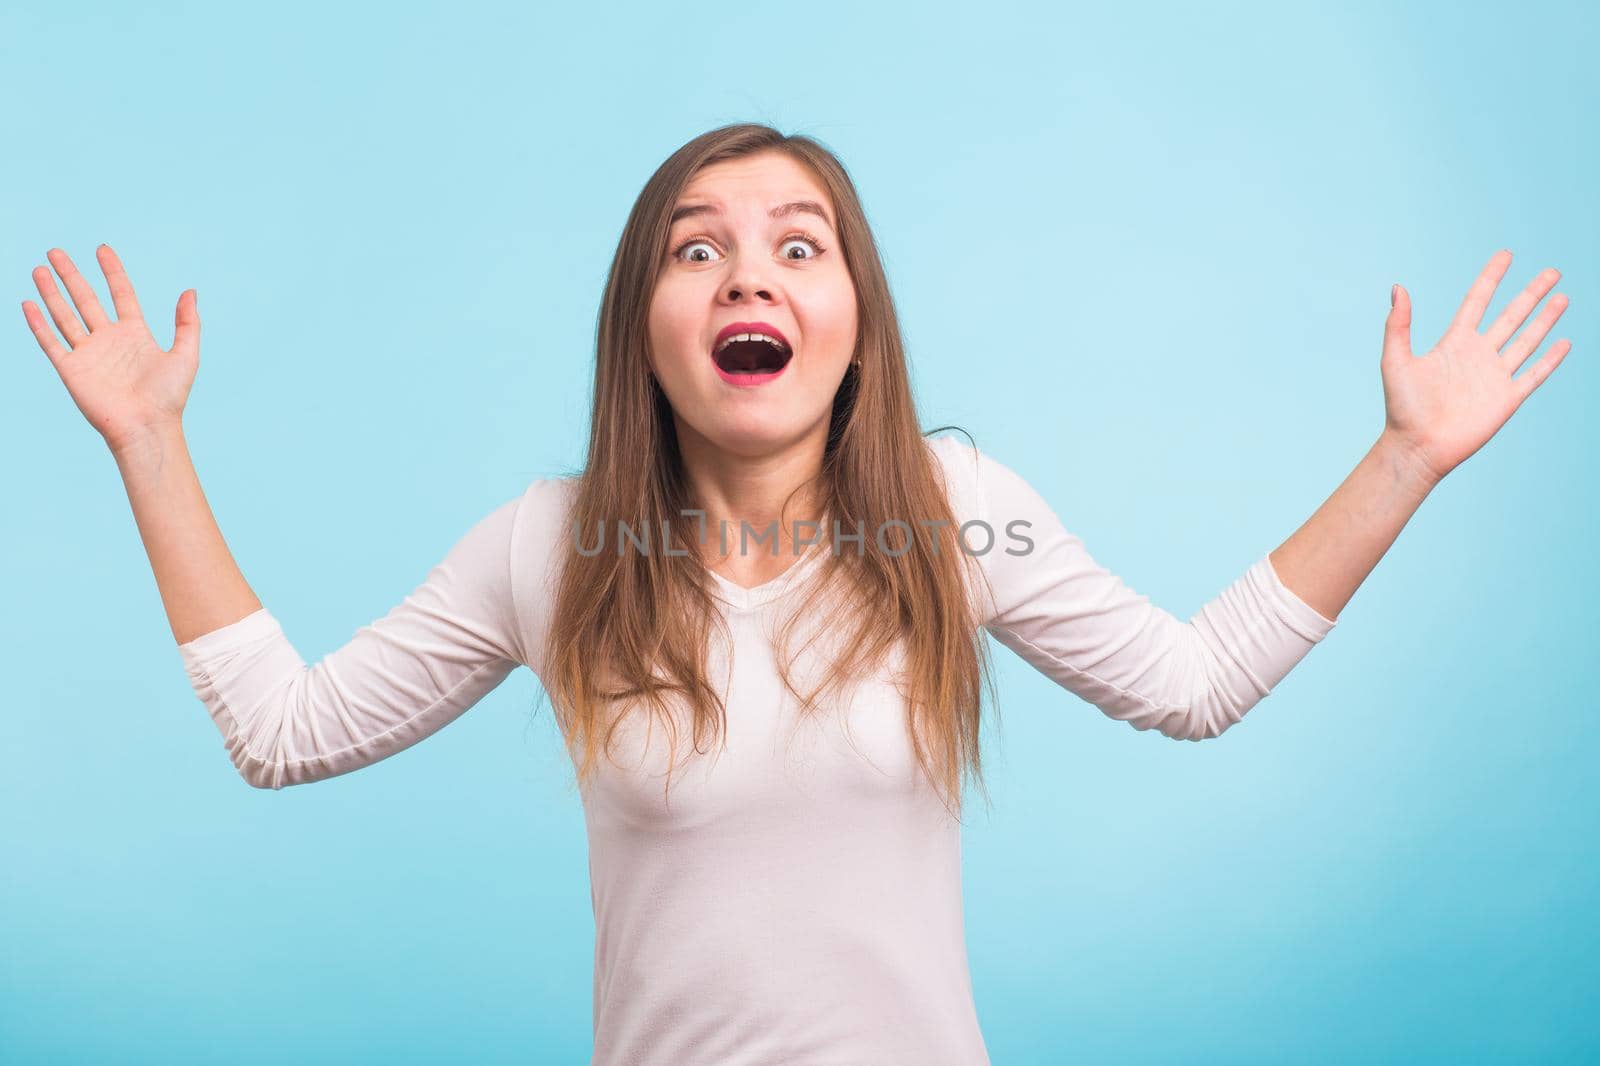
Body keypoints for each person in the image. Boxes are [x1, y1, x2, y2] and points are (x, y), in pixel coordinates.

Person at [19, 122, 1572, 1065]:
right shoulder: (549, 548)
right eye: (698, 252)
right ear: (646, 330)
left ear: (853, 324)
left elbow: (1196, 677)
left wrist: (1411, 456)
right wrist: (149, 442)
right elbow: (283, 728)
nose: (749, 277)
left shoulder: (956, 515)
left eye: (796, 247)